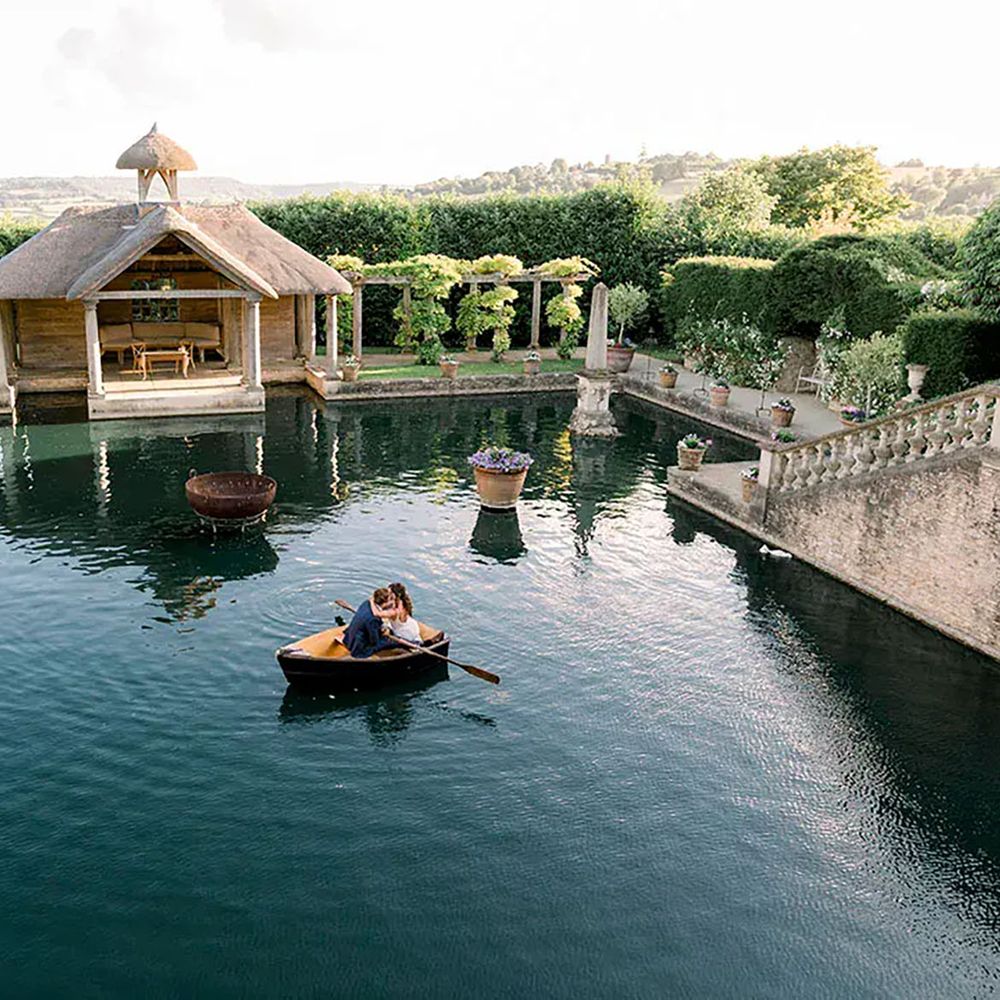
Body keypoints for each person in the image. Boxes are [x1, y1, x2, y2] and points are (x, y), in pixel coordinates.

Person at [343, 587, 401, 658]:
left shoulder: (366, 603)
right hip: (360, 646)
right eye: (390, 600)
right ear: (384, 602)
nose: (392, 602)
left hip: (349, 638)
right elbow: (374, 641)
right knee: (392, 642)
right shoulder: (373, 619)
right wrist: (384, 633)